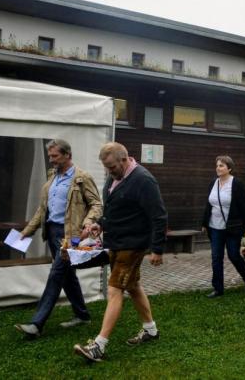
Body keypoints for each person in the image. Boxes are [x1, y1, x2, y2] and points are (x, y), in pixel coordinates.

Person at [73, 142, 167, 362]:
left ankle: (99, 345)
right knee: (133, 286)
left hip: (132, 245)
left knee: (114, 289)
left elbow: (159, 216)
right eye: (106, 168)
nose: (109, 172)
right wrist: (101, 224)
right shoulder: (115, 176)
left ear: (125, 160)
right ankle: (151, 330)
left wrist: (157, 249)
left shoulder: (144, 180)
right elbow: (116, 209)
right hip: (116, 242)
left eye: (112, 167)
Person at [15, 139, 102, 339]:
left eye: (55, 156)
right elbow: (42, 210)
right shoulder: (52, 178)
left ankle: (36, 324)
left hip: (69, 237)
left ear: (67, 155)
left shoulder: (82, 178)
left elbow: (96, 204)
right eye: (50, 156)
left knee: (56, 274)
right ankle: (82, 315)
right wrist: (26, 231)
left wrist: (88, 223)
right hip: (52, 232)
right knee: (67, 276)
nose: (51, 160)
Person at [201, 155, 245, 298]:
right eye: (217, 165)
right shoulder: (213, 183)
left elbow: (244, 205)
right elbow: (209, 204)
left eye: (221, 166)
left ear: (229, 168)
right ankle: (218, 289)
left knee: (233, 255)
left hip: (232, 227)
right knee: (216, 257)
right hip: (214, 227)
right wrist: (204, 223)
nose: (218, 168)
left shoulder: (236, 184)